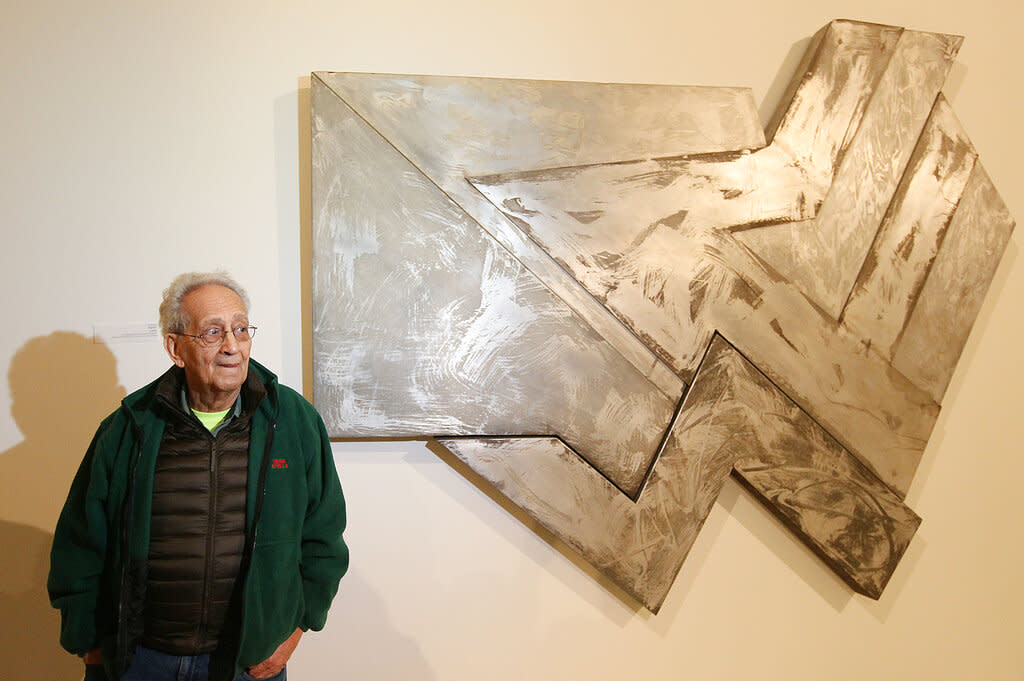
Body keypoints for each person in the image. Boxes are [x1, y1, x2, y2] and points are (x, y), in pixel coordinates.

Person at [48, 271, 349, 681]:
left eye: (240, 330)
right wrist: (89, 643)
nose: (231, 346)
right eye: (212, 332)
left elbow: (323, 537)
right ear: (176, 348)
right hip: (141, 661)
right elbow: (80, 542)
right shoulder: (128, 428)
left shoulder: (293, 422)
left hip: (246, 664)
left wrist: (296, 630)